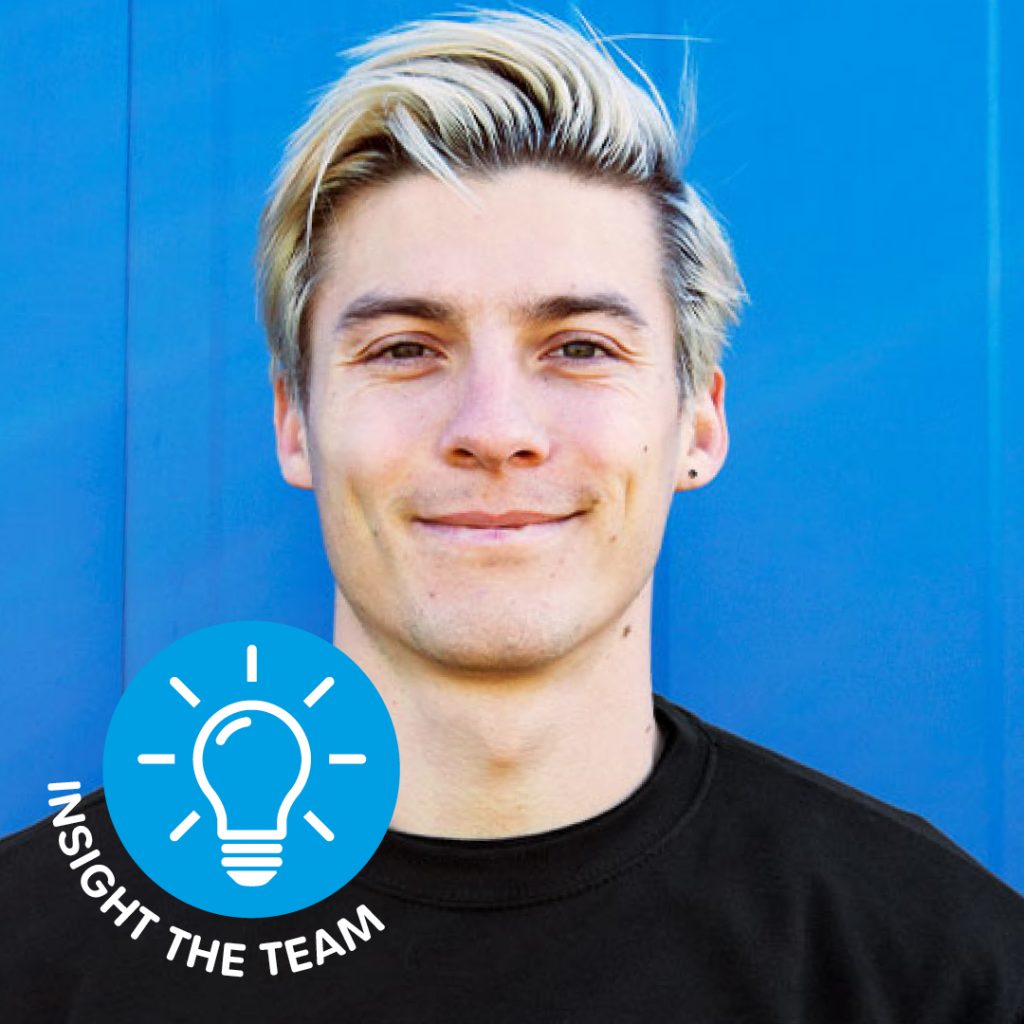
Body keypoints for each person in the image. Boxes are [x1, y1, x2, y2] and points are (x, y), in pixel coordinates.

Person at [2, 10, 1022, 1021]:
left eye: (579, 348)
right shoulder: (30, 953)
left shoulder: (937, 968)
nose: (494, 430)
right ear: (295, 423)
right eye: (405, 349)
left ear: (699, 423)